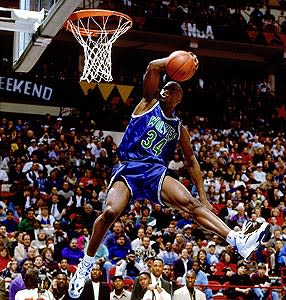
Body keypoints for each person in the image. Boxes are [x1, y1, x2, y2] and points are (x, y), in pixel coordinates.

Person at [68, 53, 270, 298]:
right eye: (164, 87)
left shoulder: (178, 128)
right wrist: (178, 59)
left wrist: (204, 196)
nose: (165, 90)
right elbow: (153, 66)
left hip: (155, 172)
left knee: (191, 204)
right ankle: (85, 266)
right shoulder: (147, 103)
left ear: (179, 97)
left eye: (171, 88)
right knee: (110, 212)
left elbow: (191, 161)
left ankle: (237, 239)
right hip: (130, 167)